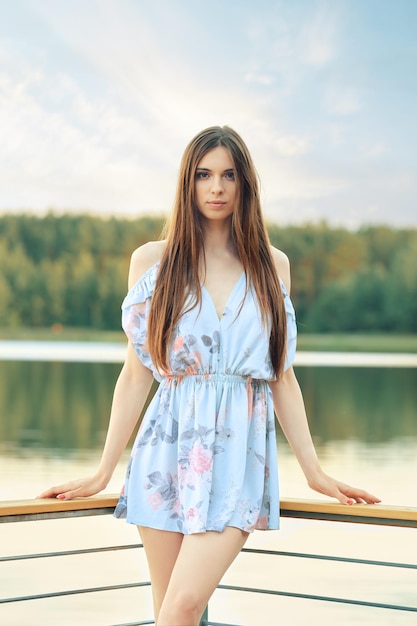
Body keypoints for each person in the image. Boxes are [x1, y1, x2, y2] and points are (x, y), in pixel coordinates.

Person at [39, 126, 380, 626]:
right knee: (169, 614)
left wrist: (315, 473)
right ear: (188, 183)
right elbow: (135, 377)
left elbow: (281, 379)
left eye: (228, 175)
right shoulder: (153, 262)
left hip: (238, 457)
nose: (216, 188)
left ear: (245, 185)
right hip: (164, 451)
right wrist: (103, 471)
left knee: (182, 607)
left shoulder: (271, 266)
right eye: (203, 175)